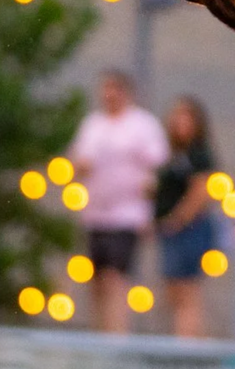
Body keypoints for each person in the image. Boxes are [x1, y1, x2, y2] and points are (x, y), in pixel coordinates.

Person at [66, 70, 167, 333]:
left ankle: (116, 335)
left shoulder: (142, 124)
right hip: (96, 213)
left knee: (116, 278)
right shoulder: (93, 125)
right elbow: (79, 161)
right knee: (97, 280)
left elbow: (156, 166)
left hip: (127, 214)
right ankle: (100, 332)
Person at [154, 96, 219, 338]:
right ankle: (181, 339)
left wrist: (178, 218)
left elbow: (201, 192)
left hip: (190, 229)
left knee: (187, 290)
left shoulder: (199, 154)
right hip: (171, 229)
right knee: (173, 291)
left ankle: (188, 343)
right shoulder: (172, 153)